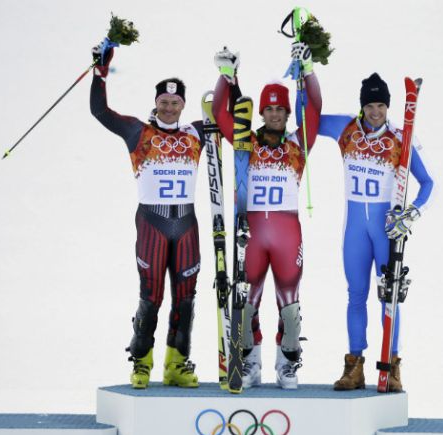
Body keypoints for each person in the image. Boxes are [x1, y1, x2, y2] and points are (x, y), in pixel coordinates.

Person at [89, 40, 206, 389]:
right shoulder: (138, 132)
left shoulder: (196, 132)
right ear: (156, 102)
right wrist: (100, 71)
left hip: (186, 224)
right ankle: (141, 362)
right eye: (164, 102)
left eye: (175, 103)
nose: (169, 108)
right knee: (151, 296)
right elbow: (100, 112)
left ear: (183, 105)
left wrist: (229, 78)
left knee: (185, 299)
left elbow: (230, 119)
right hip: (152, 224)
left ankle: (176, 364)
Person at [211, 43, 321, 389]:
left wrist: (308, 70)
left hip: (287, 233)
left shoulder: (298, 145)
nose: (275, 114)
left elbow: (315, 108)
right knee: (246, 304)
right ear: (261, 112)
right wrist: (227, 76)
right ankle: (251, 361)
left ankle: (287, 364)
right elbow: (219, 112)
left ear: (288, 113)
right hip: (253, 232)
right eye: (269, 109)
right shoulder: (246, 142)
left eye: (280, 109)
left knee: (290, 309)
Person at [317, 73, 434, 391]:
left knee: (390, 296)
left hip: (385, 230)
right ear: (362, 106)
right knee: (356, 295)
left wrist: (411, 214)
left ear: (387, 107)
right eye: (370, 105)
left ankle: (392, 366)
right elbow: (308, 120)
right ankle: (354, 366)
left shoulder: (399, 137)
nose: (375, 112)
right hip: (355, 230)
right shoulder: (346, 128)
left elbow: (428, 183)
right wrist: (306, 75)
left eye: (381, 105)